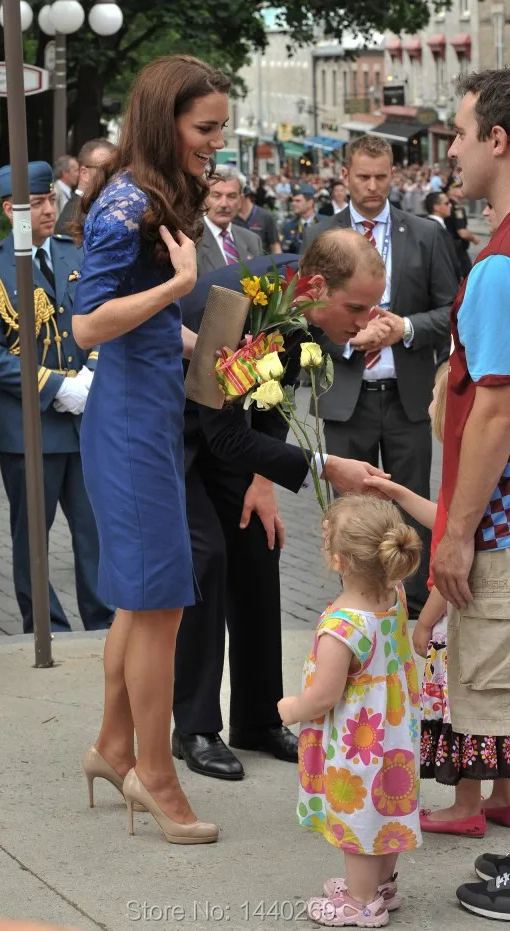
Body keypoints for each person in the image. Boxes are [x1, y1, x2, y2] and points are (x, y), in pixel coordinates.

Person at [72, 55, 232, 845]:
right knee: (162, 599)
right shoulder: (125, 203)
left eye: (220, 130)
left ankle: (111, 747)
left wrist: (203, 344)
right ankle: (154, 773)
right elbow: (88, 325)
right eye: (205, 129)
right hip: (131, 425)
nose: (216, 144)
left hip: (147, 416)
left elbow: (138, 324)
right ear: (164, 118)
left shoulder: (147, 195)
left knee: (144, 597)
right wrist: (177, 288)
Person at [174, 231, 389, 780]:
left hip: (224, 424)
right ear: (316, 286)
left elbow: (275, 389)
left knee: (257, 541)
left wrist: (263, 480)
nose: (366, 323)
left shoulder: (300, 301)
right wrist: (324, 465)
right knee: (207, 555)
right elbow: (222, 436)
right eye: (357, 308)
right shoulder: (238, 306)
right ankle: (195, 726)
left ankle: (257, 717)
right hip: (170, 434)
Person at [303, 135, 459, 617]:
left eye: (381, 176)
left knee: (411, 498)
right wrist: (350, 338)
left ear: (394, 174)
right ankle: (357, 598)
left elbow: (453, 310)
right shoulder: (321, 235)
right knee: (349, 505)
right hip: (347, 393)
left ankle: (415, 601)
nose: (372, 187)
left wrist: (405, 328)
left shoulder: (426, 234)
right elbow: (303, 314)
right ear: (345, 176)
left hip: (407, 393)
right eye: (363, 176)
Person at [0, 161, 112, 635]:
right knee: (33, 539)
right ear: (11, 210)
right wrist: (56, 386)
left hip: (85, 421)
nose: (50, 210)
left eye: (51, 200)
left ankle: (103, 622)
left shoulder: (75, 254)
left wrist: (90, 372)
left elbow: (101, 318)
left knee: (95, 533)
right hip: (30, 426)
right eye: (37, 203)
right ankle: (46, 628)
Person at [427, 69, 510, 920]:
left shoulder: (499, 265)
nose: (449, 149)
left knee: (502, 693)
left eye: (457, 132)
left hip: (506, 528)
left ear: (499, 139)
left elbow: (494, 411)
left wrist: (456, 533)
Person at [367, 364, 510, 840]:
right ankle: (503, 797)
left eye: (435, 398)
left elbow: (453, 570)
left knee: (462, 713)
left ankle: (464, 805)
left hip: (465, 616)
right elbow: (445, 518)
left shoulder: (470, 470)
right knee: (498, 709)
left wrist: (424, 623)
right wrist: (398, 491)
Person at [278, 495, 422, 926]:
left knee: (359, 815)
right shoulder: (394, 596)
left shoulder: (341, 627)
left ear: (338, 561)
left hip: (360, 738)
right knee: (389, 804)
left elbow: (324, 695)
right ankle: (382, 885)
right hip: (395, 730)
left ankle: (360, 903)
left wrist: (291, 708)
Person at [196, 168, 262, 276]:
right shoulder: (190, 241)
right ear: (203, 199)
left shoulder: (252, 240)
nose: (224, 204)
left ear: (240, 201)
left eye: (231, 196)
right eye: (216, 196)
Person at [55, 138, 115, 235]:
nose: (115, 176)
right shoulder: (72, 219)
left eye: (118, 170)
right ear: (84, 173)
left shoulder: (99, 207)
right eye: (107, 170)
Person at [444, 178, 480, 278]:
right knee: (467, 277)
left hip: (449, 247)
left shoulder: (447, 205)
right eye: (458, 187)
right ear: (451, 191)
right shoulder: (456, 208)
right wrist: (474, 238)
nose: (461, 189)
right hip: (457, 249)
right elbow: (462, 232)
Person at [424, 190, 462, 284]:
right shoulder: (436, 229)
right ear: (436, 207)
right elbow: (451, 260)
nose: (450, 205)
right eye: (446, 203)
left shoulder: (426, 225)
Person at [234, 182, 282, 253]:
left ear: (244, 197)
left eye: (232, 196)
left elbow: (275, 246)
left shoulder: (266, 216)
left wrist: (278, 263)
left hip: (263, 262)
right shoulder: (230, 218)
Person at [281, 183, 319, 253]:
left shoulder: (325, 223)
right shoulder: (288, 226)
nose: (293, 204)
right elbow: (284, 254)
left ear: (310, 203)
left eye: (298, 201)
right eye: (293, 200)